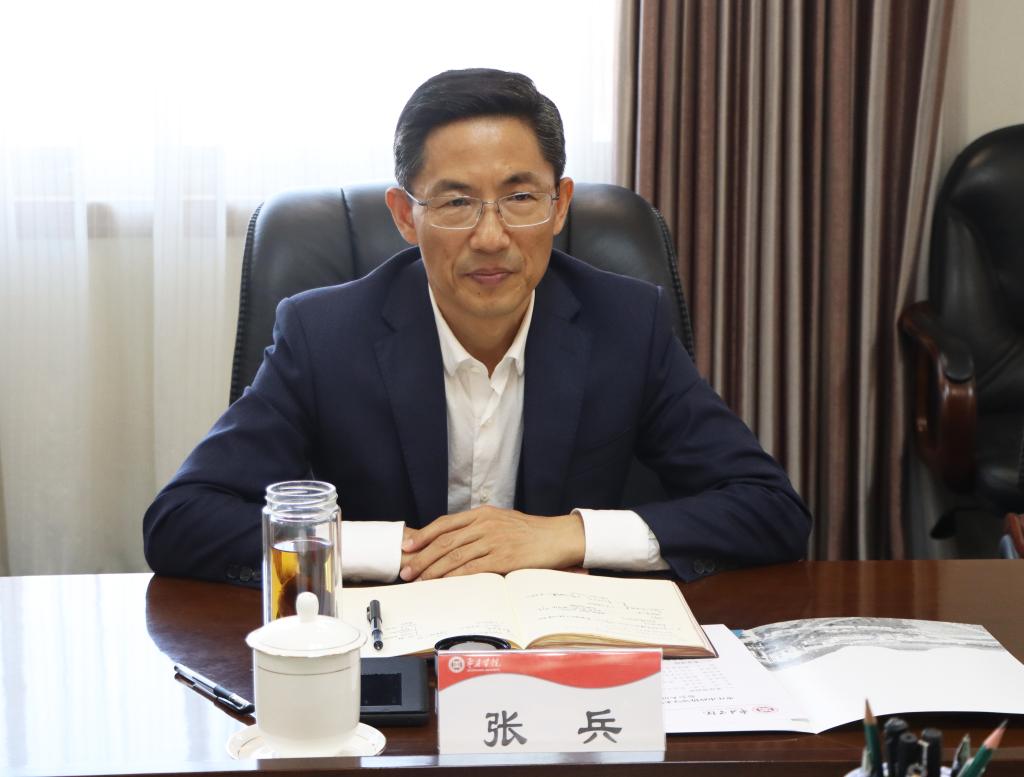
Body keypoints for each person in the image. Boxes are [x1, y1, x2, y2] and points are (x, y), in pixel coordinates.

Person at [143, 68, 810, 586]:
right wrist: (398, 550)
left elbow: (770, 509)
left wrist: (566, 535)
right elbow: (182, 520)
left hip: (561, 651)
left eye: (520, 197)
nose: (491, 237)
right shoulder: (323, 334)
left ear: (559, 205)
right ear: (405, 216)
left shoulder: (625, 325)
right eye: (457, 202)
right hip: (392, 654)